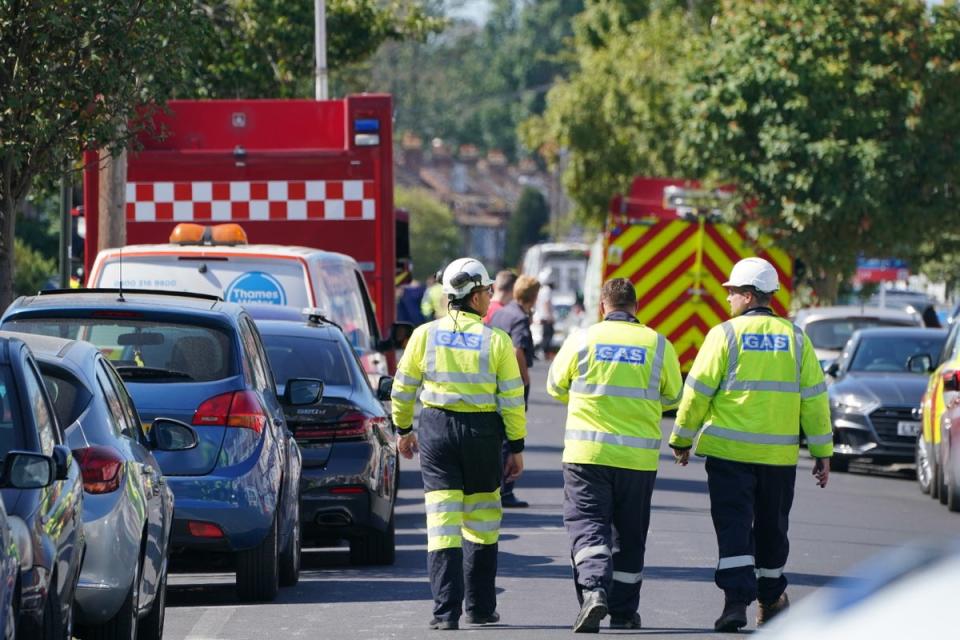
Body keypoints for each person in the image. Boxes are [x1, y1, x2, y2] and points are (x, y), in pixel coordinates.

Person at [668, 257, 832, 632]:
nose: (727, 299)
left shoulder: (723, 335)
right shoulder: (796, 338)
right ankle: (771, 597)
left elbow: (697, 393)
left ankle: (735, 604)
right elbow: (815, 399)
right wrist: (822, 452)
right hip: (778, 458)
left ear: (746, 295)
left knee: (733, 528)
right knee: (773, 529)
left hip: (729, 456)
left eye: (730, 293)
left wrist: (681, 439)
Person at [391, 257, 527, 630]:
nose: (488, 297)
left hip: (436, 429)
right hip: (483, 434)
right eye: (485, 291)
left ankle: (444, 614)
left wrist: (404, 430)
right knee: (482, 522)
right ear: (473, 295)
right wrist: (516, 447)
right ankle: (480, 609)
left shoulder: (424, 334)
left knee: (442, 522)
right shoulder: (496, 340)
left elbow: (403, 389)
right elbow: (512, 400)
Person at [547, 278, 682, 633]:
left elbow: (555, 384)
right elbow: (673, 395)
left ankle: (593, 590)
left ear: (603, 307)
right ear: (635, 306)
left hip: (586, 454)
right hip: (637, 459)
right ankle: (623, 611)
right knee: (630, 534)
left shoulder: (582, 338)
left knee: (588, 524)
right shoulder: (657, 343)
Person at [488, 274, 540, 508]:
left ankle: (495, 485)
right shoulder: (519, 318)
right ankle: (506, 490)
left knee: (498, 436)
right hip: (511, 382)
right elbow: (518, 350)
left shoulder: (501, 312)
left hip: (493, 380)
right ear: (534, 296)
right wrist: (524, 380)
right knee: (512, 435)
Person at [534, 268, 556, 356]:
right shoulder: (547, 290)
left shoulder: (541, 290)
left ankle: (542, 350)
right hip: (546, 317)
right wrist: (549, 316)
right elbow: (546, 304)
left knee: (545, 334)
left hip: (541, 316)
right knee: (548, 334)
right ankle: (543, 350)